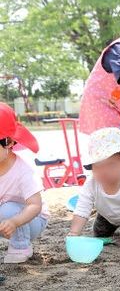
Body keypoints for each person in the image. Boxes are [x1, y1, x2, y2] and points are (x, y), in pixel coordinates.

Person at [69, 128, 120, 243]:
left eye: (111, 165)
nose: (104, 172)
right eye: (98, 166)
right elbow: (82, 208)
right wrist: (74, 233)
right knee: (99, 236)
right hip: (105, 216)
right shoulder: (91, 183)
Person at [0, 103, 48, 263]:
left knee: (7, 209)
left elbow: (35, 205)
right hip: (6, 220)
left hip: (31, 220)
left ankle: (21, 247)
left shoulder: (23, 170)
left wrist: (15, 222)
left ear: (9, 143)